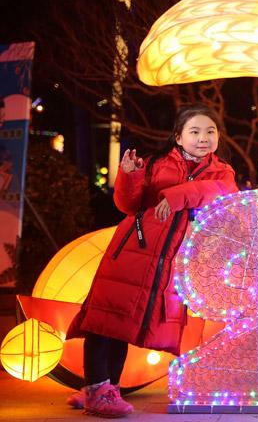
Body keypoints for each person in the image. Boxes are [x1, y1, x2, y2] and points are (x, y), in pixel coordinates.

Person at [66, 104, 238, 417]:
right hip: (132, 251)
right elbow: (127, 204)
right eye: (195, 131)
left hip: (166, 263)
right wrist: (129, 175)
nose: (203, 137)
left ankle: (105, 389)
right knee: (105, 320)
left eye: (210, 131)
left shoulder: (222, 171)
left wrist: (177, 195)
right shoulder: (157, 163)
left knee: (124, 326)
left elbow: (222, 192)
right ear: (178, 137)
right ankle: (97, 390)